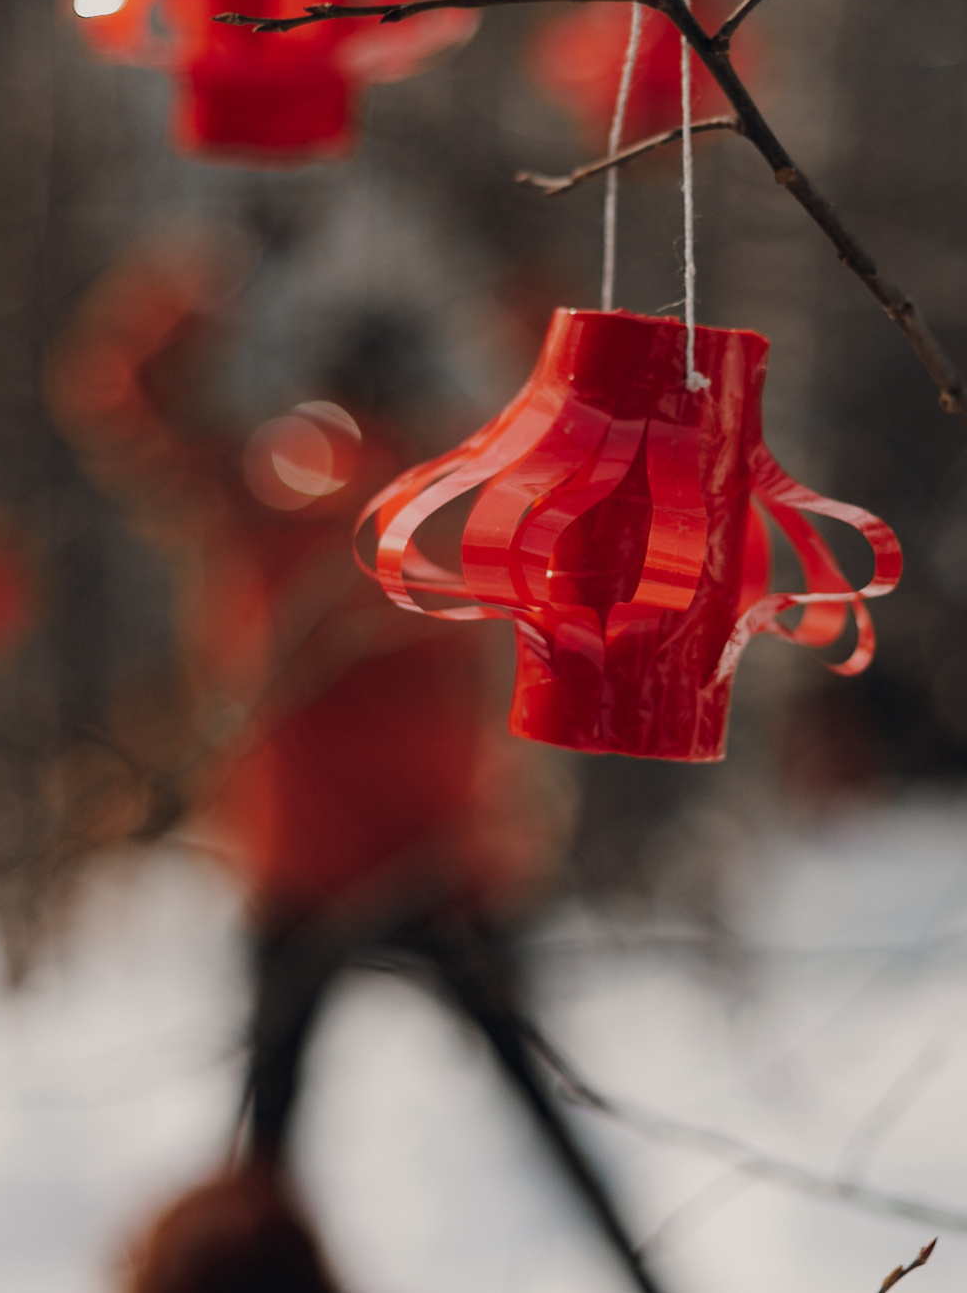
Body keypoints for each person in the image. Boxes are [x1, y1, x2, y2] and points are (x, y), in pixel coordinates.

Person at [54, 247, 665, 1293]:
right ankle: (649, 1281)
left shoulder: (261, 494)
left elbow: (115, 402)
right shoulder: (468, 500)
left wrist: (198, 283)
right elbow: (607, 428)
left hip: (302, 867)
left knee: (265, 1156)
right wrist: (518, 285)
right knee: (547, 1123)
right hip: (444, 859)